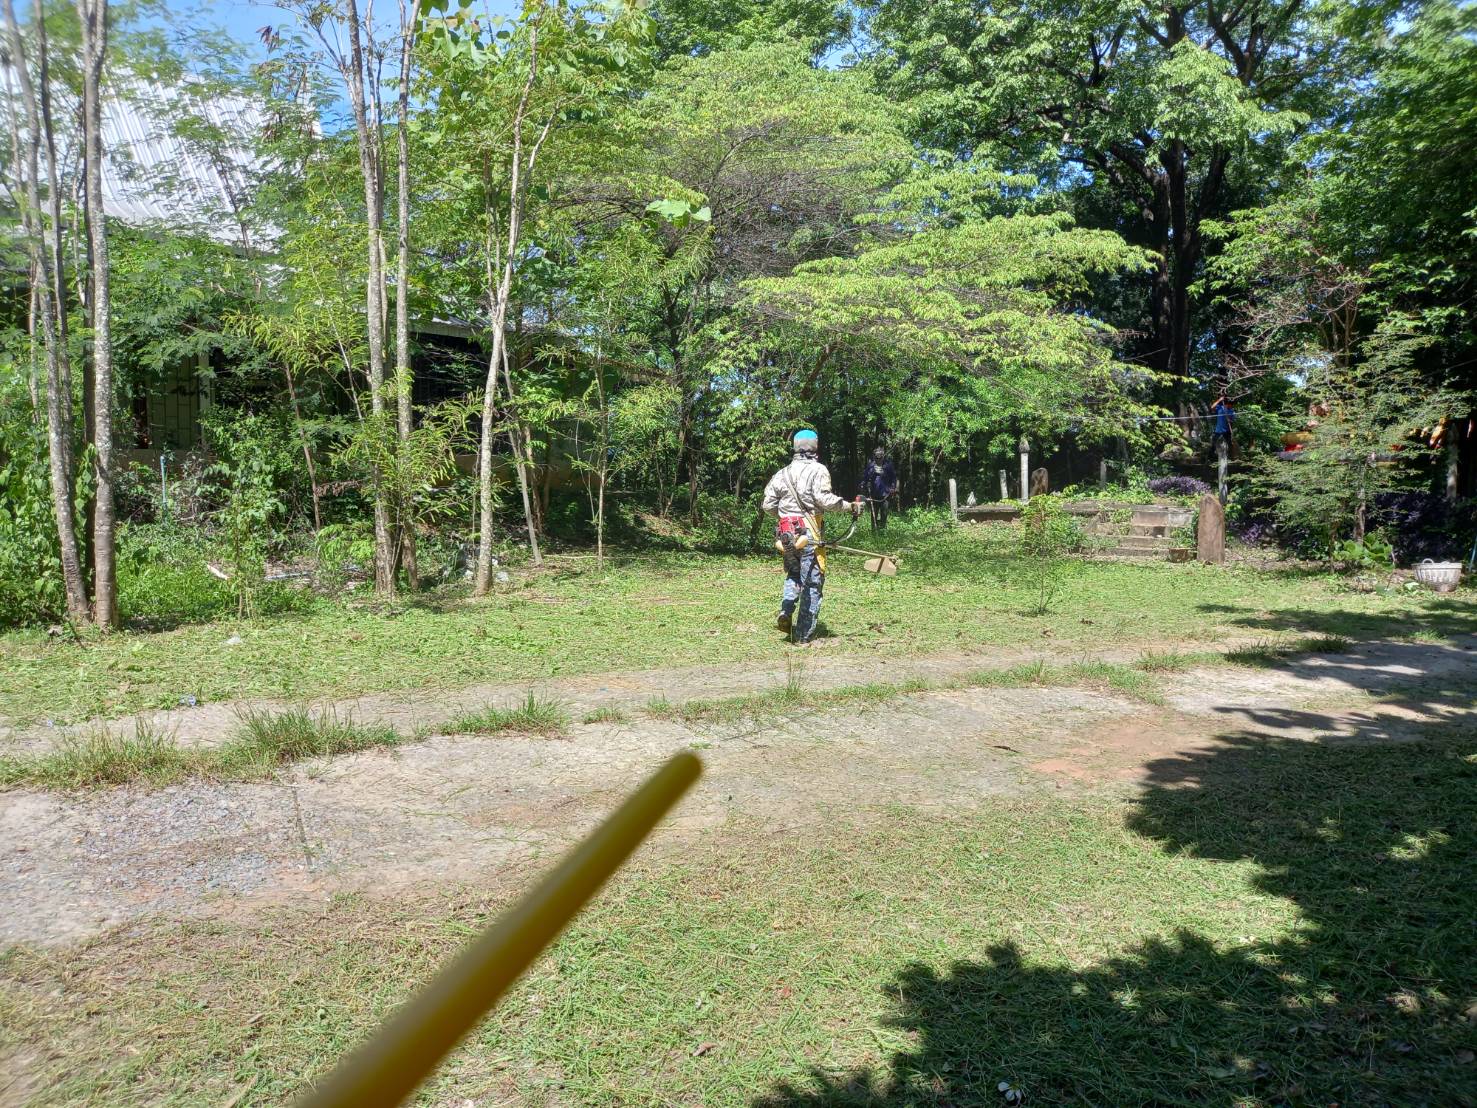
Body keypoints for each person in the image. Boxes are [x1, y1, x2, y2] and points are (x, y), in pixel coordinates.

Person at [761, 429, 861, 645]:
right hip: (809, 535)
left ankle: (786, 610)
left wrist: (786, 517)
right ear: (815, 447)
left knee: (794, 574)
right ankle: (803, 636)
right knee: (812, 583)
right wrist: (850, 506)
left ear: (795, 447)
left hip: (785, 536)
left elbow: (767, 505)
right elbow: (824, 499)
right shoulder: (818, 470)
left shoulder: (781, 473)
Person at [860, 446, 898, 532]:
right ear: (874, 457)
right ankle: (874, 532)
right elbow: (865, 478)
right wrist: (863, 485)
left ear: (883, 456)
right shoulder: (871, 466)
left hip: (885, 495)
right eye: (877, 457)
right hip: (873, 495)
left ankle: (883, 532)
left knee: (884, 515)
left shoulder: (888, 465)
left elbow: (893, 478)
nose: (878, 459)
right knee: (874, 516)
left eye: (880, 457)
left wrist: (893, 488)